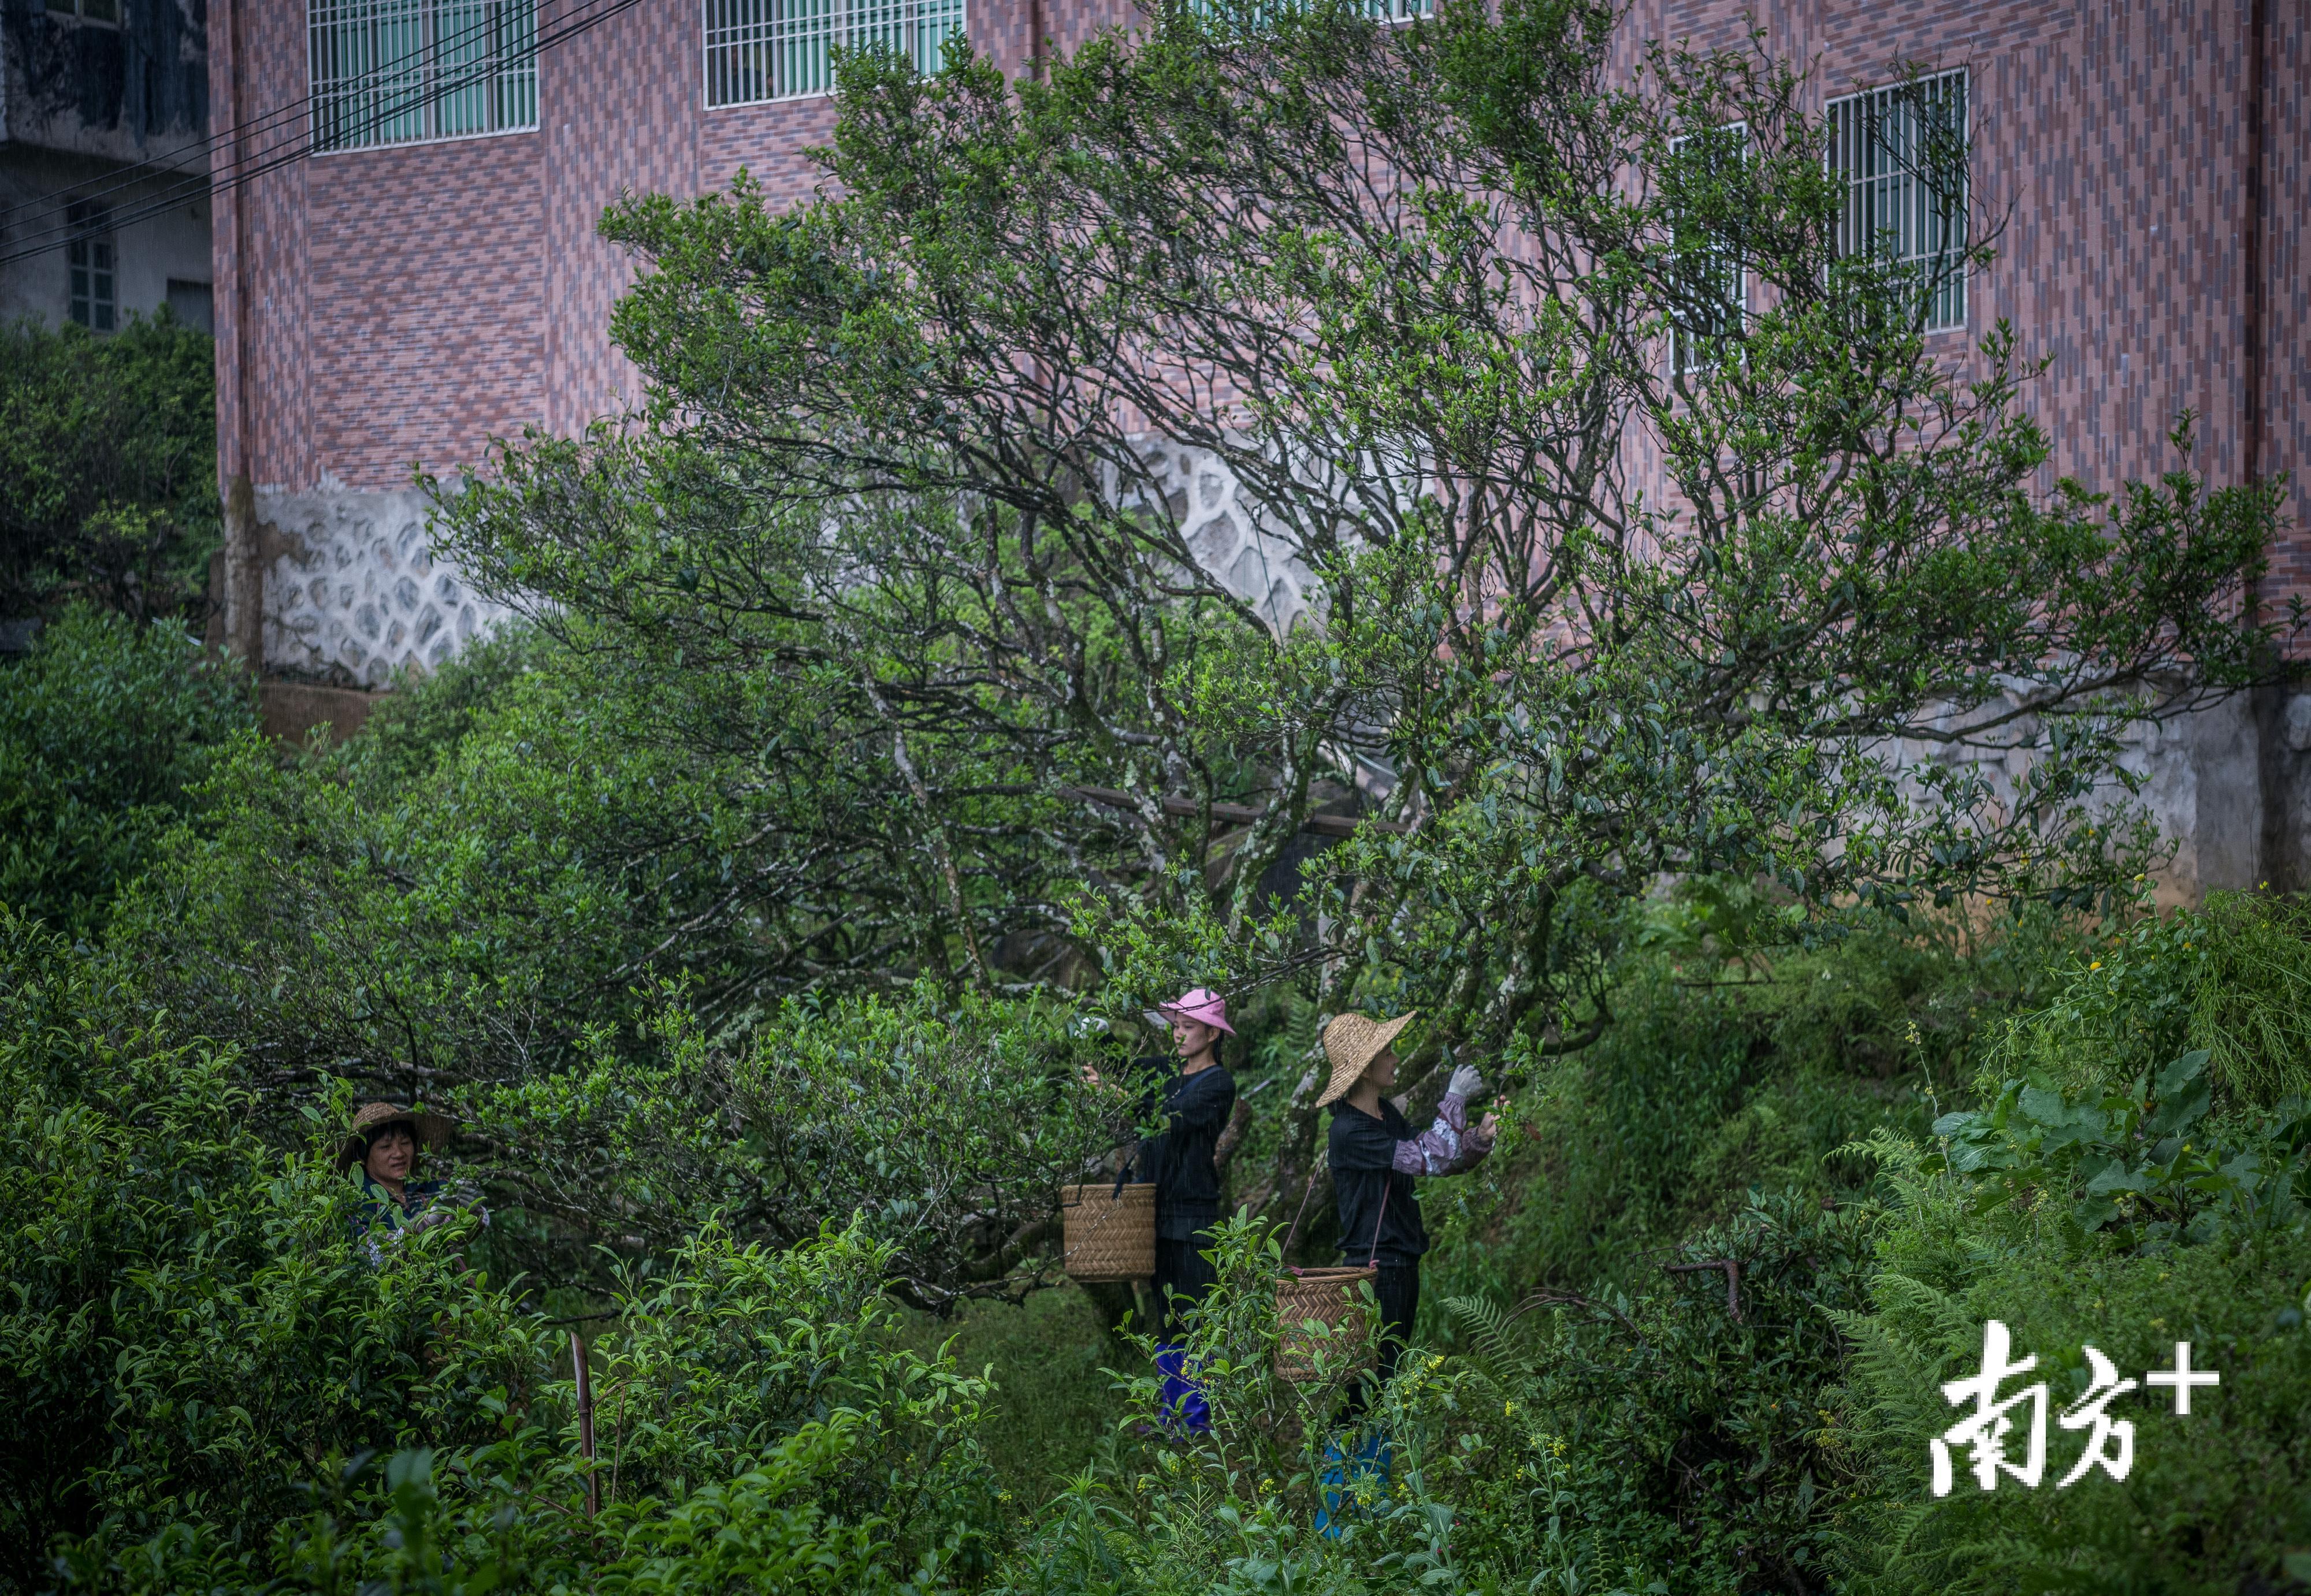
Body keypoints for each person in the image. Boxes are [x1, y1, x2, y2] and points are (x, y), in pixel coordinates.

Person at [1316, 1011, 1497, 1392]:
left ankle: (1354, 1452)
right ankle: (1337, 1453)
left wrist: (1480, 1136)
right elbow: (1433, 1156)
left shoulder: (1385, 1115)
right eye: (1388, 1052)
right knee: (1371, 1385)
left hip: (1398, 1262)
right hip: (1376, 1269)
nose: (1395, 1059)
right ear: (1366, 1068)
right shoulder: (1348, 1130)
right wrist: (1455, 1096)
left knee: (1382, 1382)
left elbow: (1438, 1155)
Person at [1088, 987, 1240, 1339]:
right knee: (1168, 1320)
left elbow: (1170, 1119)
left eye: (1188, 1026)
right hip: (1155, 1213)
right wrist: (1097, 1030)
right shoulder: (1168, 1070)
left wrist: (1119, 1097)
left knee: (1197, 1320)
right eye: (1176, 1025)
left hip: (1192, 1220)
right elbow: (1122, 1068)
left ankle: (1201, 1392)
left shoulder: (1219, 1083)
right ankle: (1175, 1394)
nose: (1178, 1033)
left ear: (1212, 1033)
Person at [338, 1100, 462, 1256]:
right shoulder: (355, 1203)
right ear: (362, 1156)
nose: (399, 1153)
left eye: (405, 1143)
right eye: (385, 1147)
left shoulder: (433, 1186)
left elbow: (464, 1232)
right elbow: (373, 1254)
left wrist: (473, 1209)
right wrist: (425, 1223)